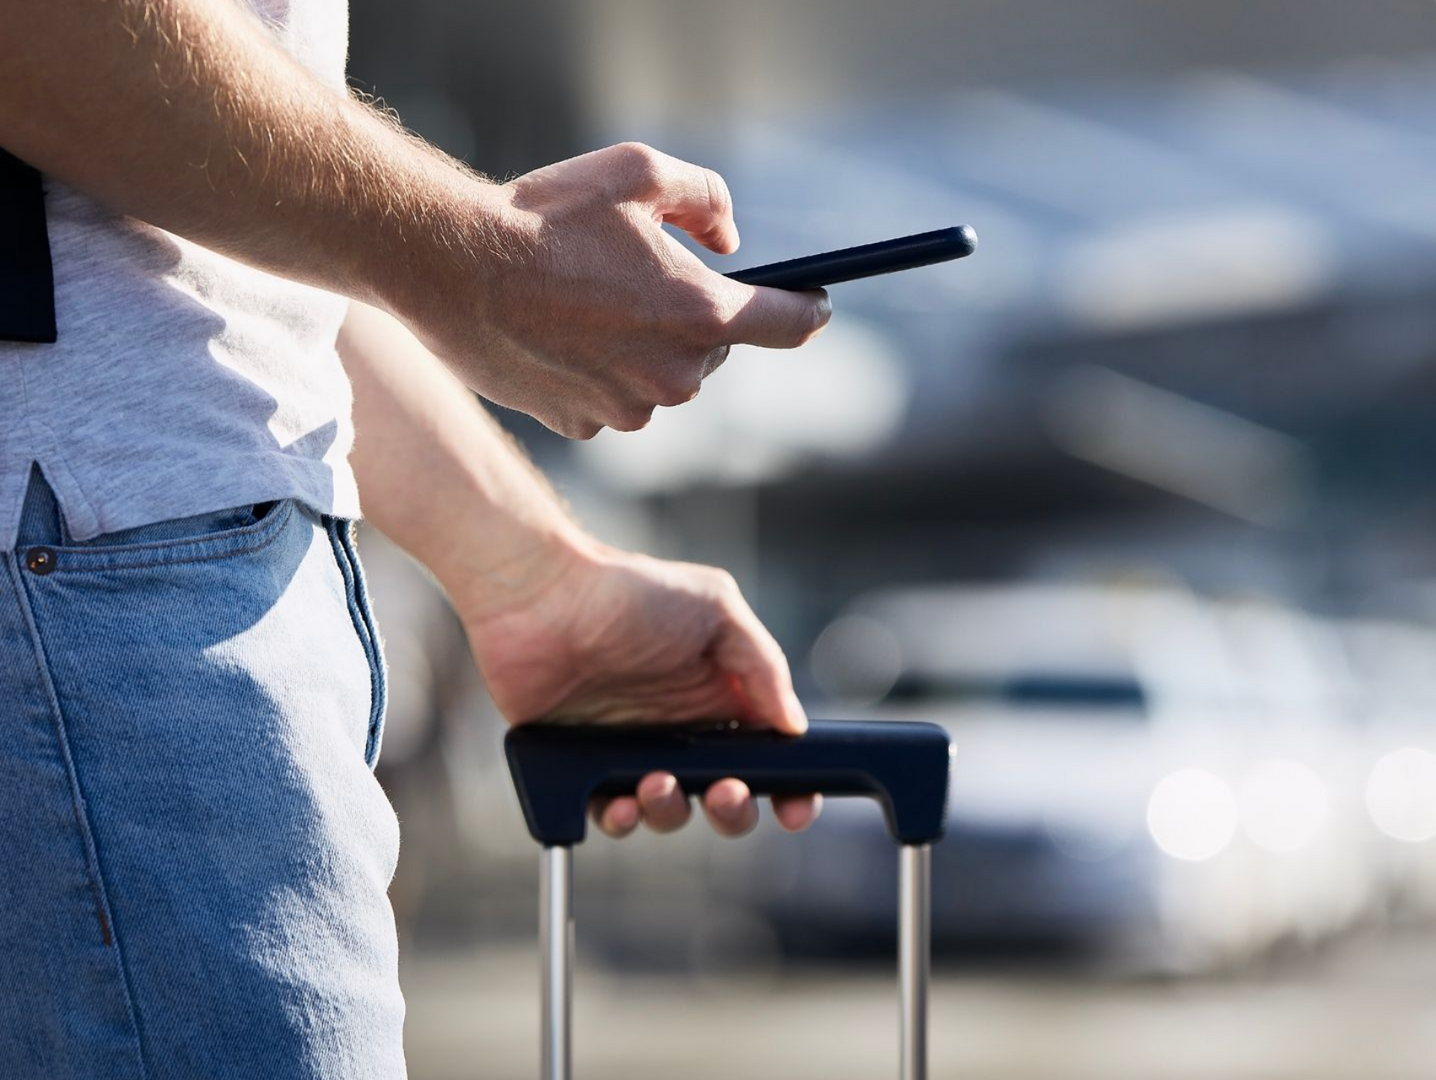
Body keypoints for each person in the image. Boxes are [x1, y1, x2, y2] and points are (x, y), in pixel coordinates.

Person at [0, 0, 835, 1074]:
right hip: (86, 561)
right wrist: (480, 260)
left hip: (102, 546)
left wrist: (527, 568)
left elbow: (206, 249)